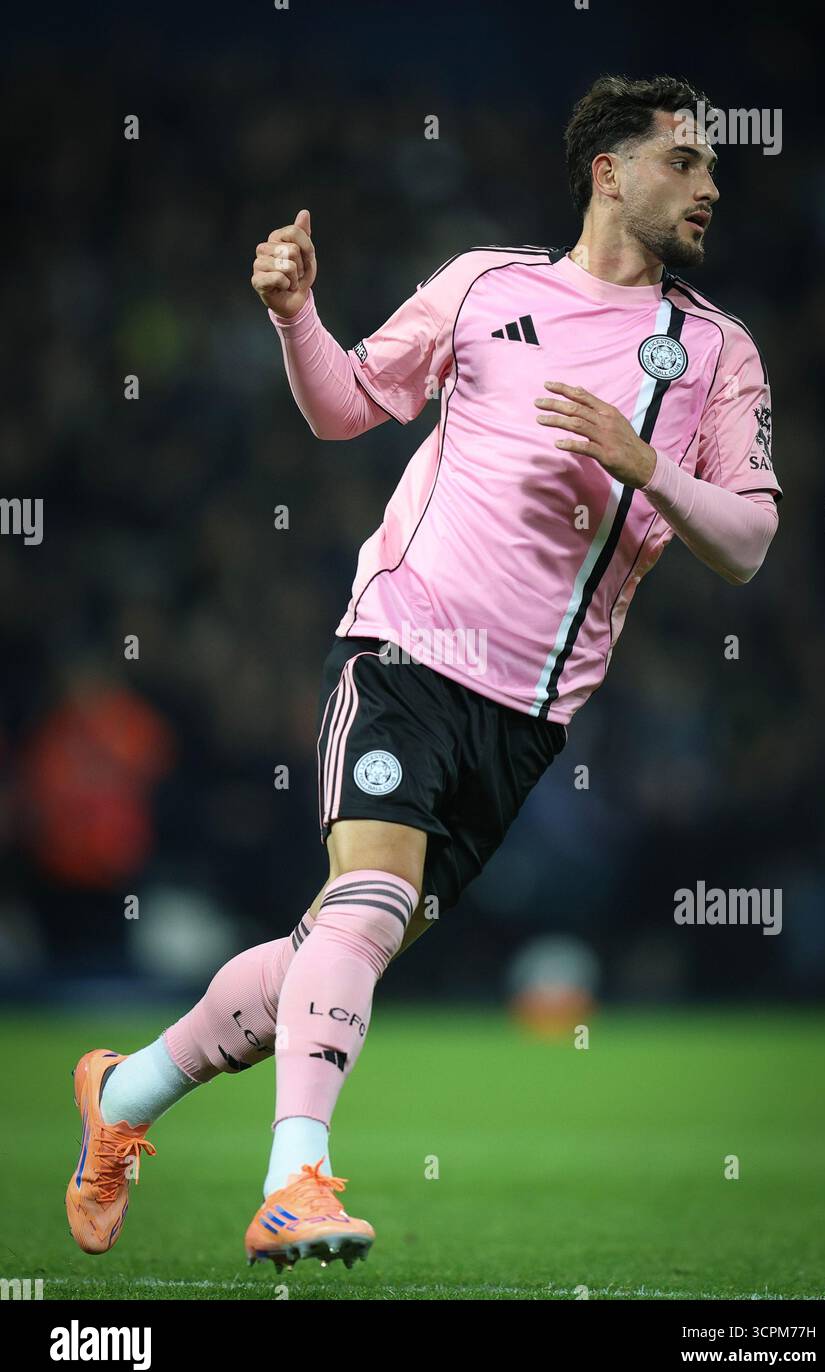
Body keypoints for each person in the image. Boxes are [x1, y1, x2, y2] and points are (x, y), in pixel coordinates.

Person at [66, 74, 781, 1271]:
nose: (709, 182)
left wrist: (645, 465)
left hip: (526, 717)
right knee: (368, 905)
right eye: (683, 160)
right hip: (403, 646)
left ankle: (122, 1094)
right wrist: (296, 315)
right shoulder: (482, 285)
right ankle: (293, 1182)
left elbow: (748, 541)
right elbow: (346, 407)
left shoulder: (717, 350)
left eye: (711, 163)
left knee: (330, 947)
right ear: (608, 173)